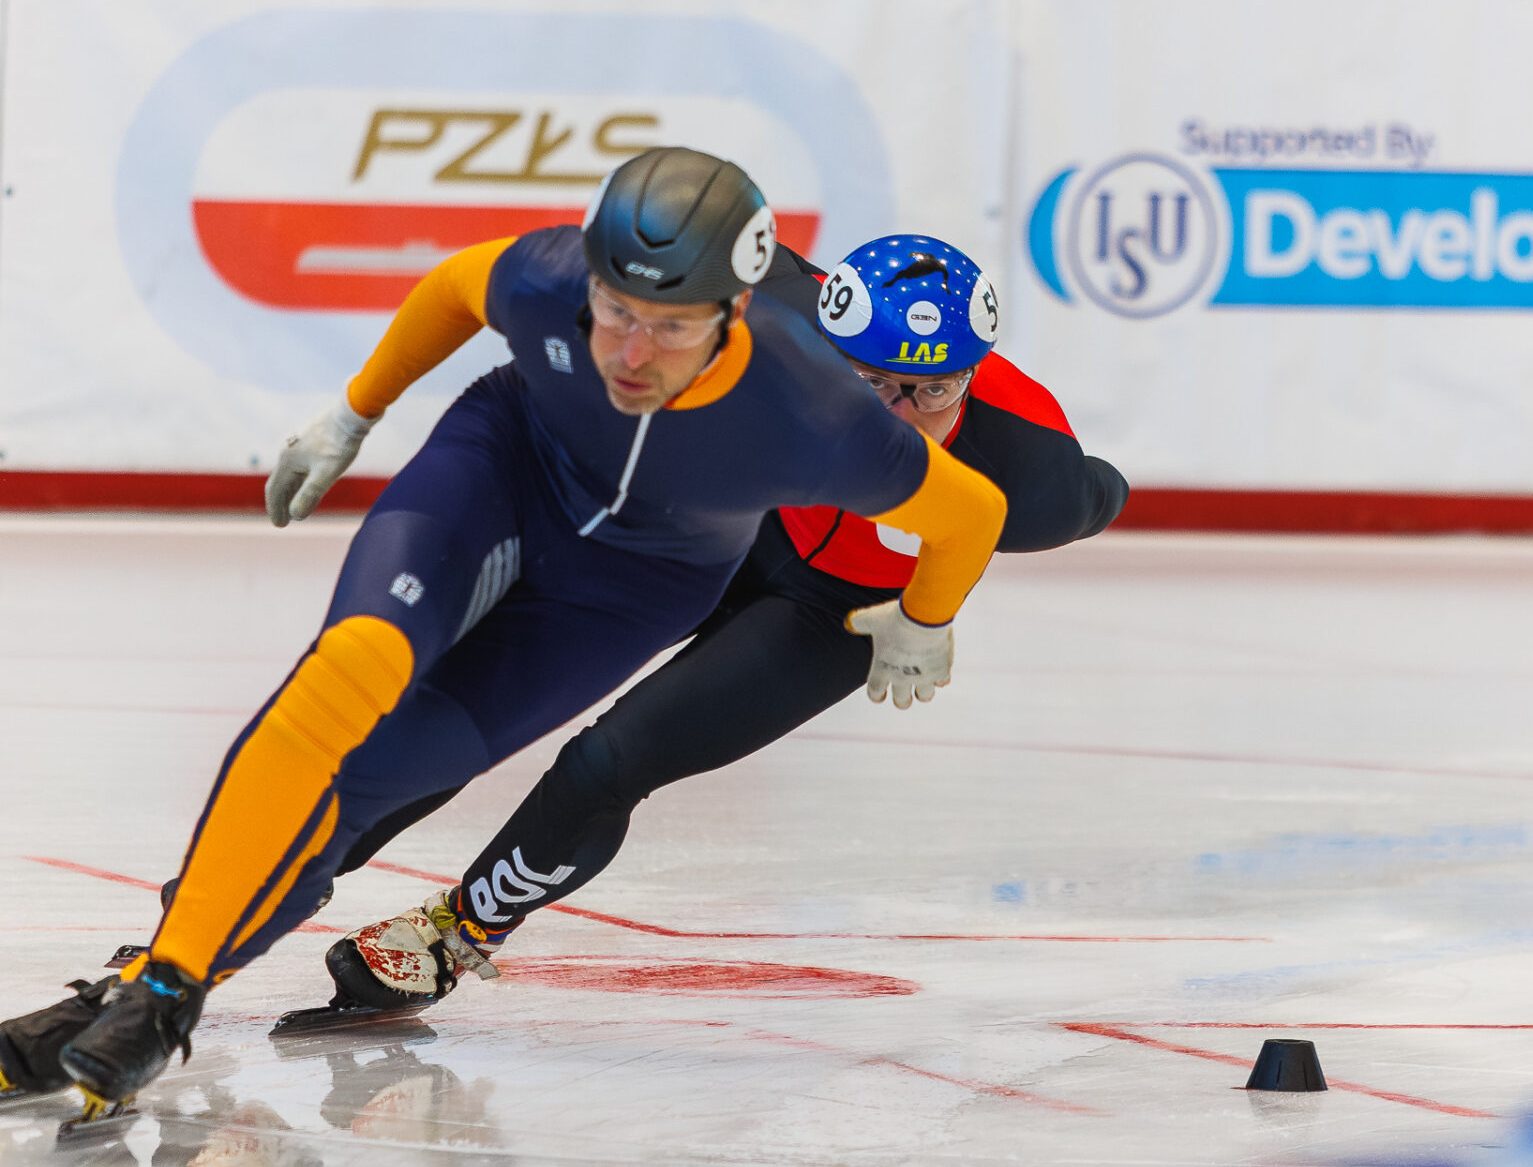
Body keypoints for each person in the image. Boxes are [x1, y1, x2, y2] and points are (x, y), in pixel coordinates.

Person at [0, 148, 1007, 1121]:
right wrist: (353, 413)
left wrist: (923, 619)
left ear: (735, 310)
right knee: (345, 674)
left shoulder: (816, 414)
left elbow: (973, 515)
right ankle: (161, 989)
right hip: (503, 470)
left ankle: (167, 977)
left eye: (670, 326)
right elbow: (451, 287)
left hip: (632, 586)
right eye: (615, 310)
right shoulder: (547, 277)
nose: (631, 353)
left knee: (370, 782)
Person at [310, 233, 1129, 1010]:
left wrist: (926, 616)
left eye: (935, 390)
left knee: (608, 763)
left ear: (972, 378)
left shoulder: (1035, 477)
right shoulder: (774, 313)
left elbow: (1099, 495)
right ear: (825, 348)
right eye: (873, 385)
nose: (901, 416)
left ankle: (458, 933)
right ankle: (297, 854)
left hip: (838, 614)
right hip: (725, 533)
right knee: (491, 695)